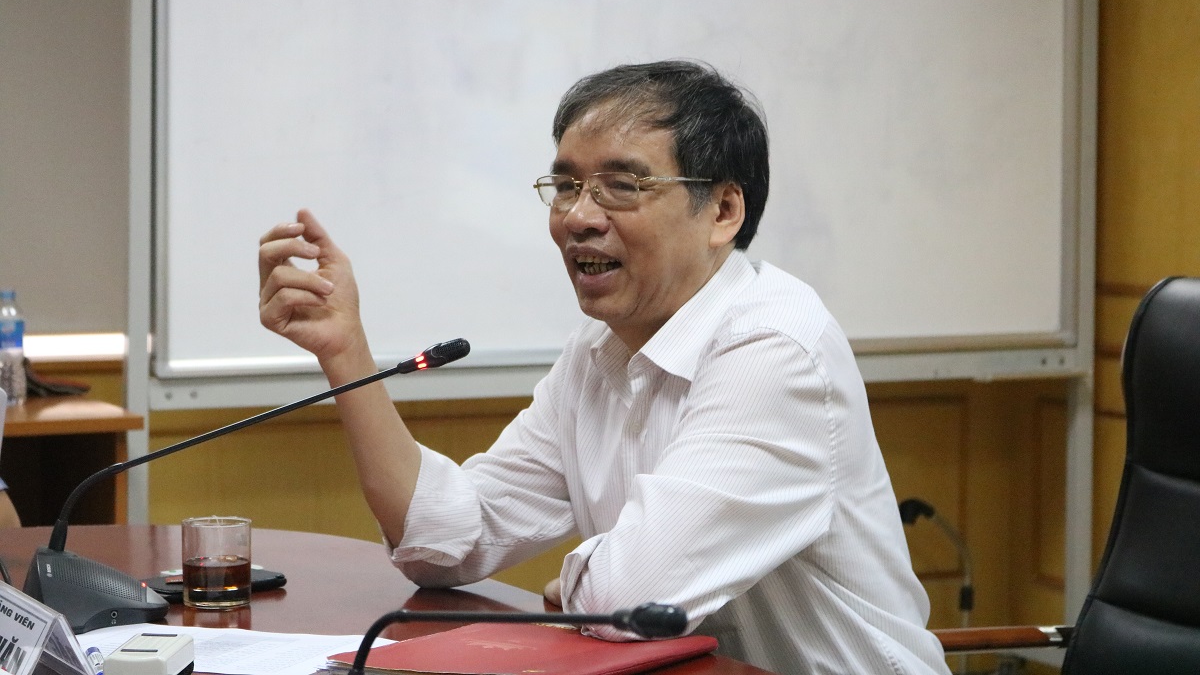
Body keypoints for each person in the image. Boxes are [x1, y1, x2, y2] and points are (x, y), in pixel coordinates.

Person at [258, 60, 950, 674]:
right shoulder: (599, 351)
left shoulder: (775, 350)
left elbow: (626, 602)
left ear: (723, 210)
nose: (578, 217)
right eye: (565, 186)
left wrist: (585, 586)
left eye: (621, 186)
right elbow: (445, 542)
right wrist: (344, 352)